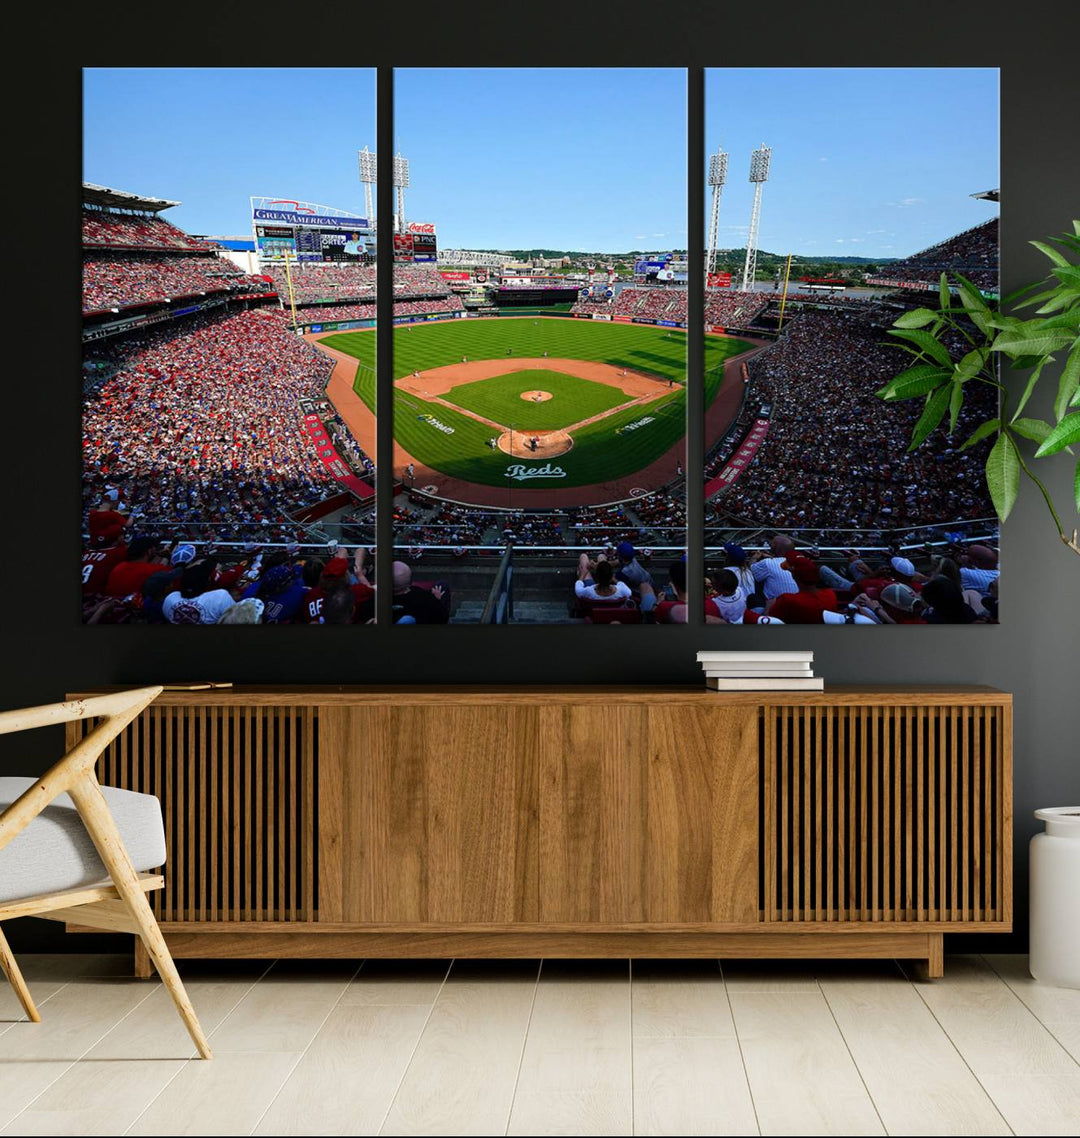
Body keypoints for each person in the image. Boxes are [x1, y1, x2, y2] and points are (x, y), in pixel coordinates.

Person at [766, 556, 838, 624]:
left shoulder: (787, 600)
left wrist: (768, 606)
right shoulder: (830, 594)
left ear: (794, 576)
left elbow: (769, 621)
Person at [749, 534, 799, 603]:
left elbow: (752, 570)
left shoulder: (768, 563)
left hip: (776, 604)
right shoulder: (798, 562)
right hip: (797, 601)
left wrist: (754, 558)